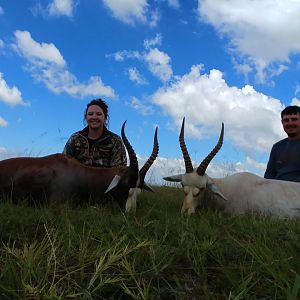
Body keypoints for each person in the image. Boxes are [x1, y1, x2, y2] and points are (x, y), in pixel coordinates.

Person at [63, 98, 127, 167]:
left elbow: (119, 171)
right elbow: (63, 164)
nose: (94, 117)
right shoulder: (75, 138)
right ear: (86, 117)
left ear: (105, 118)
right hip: (76, 177)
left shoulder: (115, 141)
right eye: (90, 114)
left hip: (105, 177)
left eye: (99, 114)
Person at [264, 105, 300, 182]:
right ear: (282, 122)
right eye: (286, 120)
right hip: (277, 190)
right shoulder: (277, 147)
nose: (290, 123)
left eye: (294, 119)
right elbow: (269, 175)